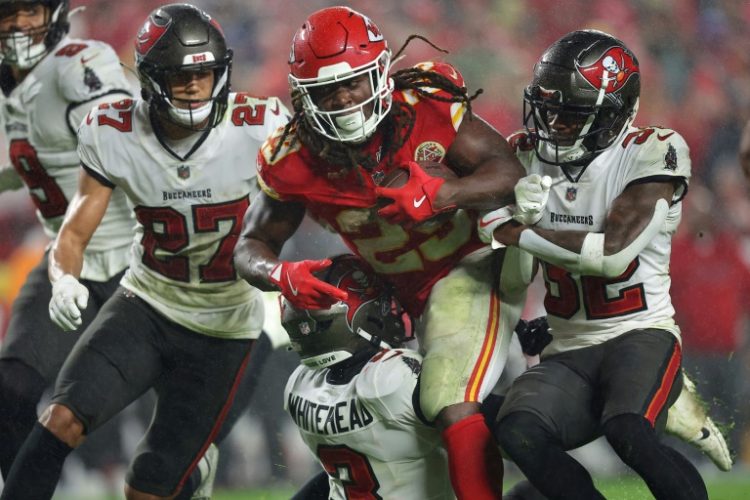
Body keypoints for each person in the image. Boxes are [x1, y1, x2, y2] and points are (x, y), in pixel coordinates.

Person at [234, 6, 531, 499]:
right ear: (303, 99)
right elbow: (250, 246)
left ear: (380, 73)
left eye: (354, 82)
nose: (345, 99)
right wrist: (281, 274)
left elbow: (511, 176)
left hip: (469, 267)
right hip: (394, 293)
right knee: (371, 424)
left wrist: (443, 195)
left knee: (449, 397)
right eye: (329, 91)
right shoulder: (293, 158)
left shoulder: (427, 107)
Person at [0, 4, 289, 499]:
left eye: (204, 73)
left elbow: (312, 198)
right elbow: (68, 219)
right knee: (52, 412)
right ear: (154, 80)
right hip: (144, 296)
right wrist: (65, 275)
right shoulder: (112, 130)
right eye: (180, 76)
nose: (195, 86)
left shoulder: (260, 126)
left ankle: (192, 461)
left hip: (218, 315)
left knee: (150, 483)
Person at [483, 30, 708, 499]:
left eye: (570, 113)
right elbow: (496, 252)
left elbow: (610, 253)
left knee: (628, 432)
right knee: (519, 431)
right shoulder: (524, 152)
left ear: (615, 111)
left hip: (639, 333)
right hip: (568, 343)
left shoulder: (652, 150)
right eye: (547, 107)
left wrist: (514, 228)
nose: (552, 122)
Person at [0, 0, 136, 482]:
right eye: (5, 12)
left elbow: (131, 151)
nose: (17, 23)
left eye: (28, 10)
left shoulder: (80, 65)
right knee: (11, 389)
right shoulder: (8, 86)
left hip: (138, 260)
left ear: (54, 12)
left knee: (162, 402)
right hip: (64, 260)